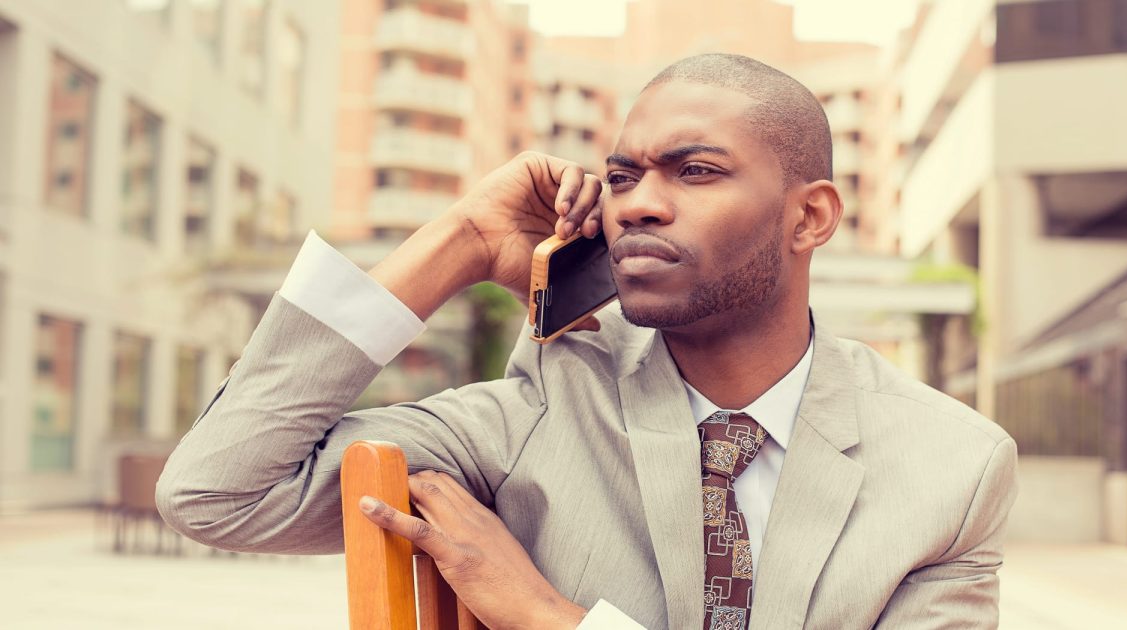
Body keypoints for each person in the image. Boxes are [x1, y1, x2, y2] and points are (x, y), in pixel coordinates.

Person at [158, 53, 1017, 630]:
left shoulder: (951, 469)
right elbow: (218, 493)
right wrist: (461, 240)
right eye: (621, 176)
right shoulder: (546, 402)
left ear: (810, 216)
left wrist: (551, 620)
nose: (638, 203)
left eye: (696, 171)